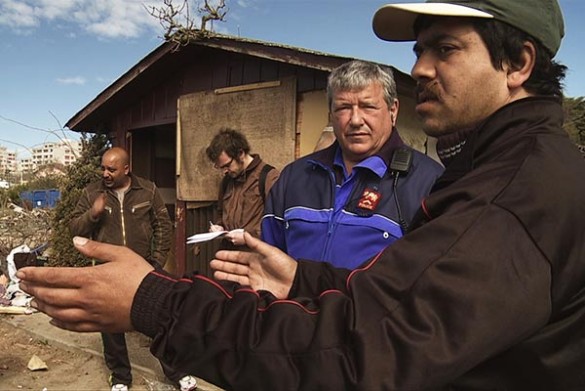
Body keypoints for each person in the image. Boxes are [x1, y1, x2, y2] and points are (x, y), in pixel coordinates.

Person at [17, 0, 585, 389]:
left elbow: (361, 351)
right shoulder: (304, 177)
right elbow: (396, 301)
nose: (421, 68)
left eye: (445, 49)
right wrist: (297, 277)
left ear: (517, 64)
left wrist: (157, 302)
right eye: (419, 50)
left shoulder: (503, 192)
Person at [261, 60, 443, 268]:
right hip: (295, 301)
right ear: (330, 114)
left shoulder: (429, 182)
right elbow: (268, 264)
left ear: (393, 111)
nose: (355, 120)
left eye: (368, 106)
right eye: (344, 107)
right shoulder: (294, 177)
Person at [68, 147, 173, 391]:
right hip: (107, 272)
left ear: (126, 168)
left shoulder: (148, 190)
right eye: (103, 168)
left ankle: (175, 371)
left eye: (111, 169)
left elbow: (163, 225)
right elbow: (74, 229)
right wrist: (93, 214)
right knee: (111, 326)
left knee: (161, 321)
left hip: (143, 269)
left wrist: (156, 261)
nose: (105, 173)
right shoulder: (92, 192)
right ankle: (121, 377)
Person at [205, 127, 279, 248]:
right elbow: (220, 212)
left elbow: (276, 221)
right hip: (228, 251)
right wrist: (219, 227)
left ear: (240, 154)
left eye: (227, 165)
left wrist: (247, 237)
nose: (224, 172)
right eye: (220, 167)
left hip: (255, 254)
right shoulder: (227, 181)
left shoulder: (268, 177)